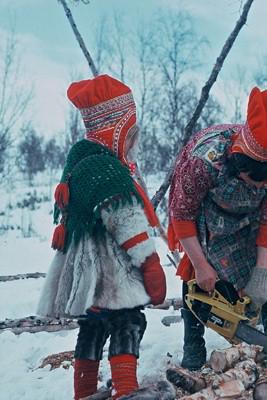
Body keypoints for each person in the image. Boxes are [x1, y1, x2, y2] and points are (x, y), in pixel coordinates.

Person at [37, 75, 167, 400]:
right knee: (128, 321)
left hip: (86, 268)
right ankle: (125, 391)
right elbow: (126, 220)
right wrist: (150, 264)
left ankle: (83, 392)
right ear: (116, 128)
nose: (132, 141)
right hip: (110, 268)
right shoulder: (104, 168)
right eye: (130, 132)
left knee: (93, 326)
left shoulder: (81, 159)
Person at [168, 87, 267, 370]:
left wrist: (259, 276)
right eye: (253, 181)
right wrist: (201, 264)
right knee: (198, 266)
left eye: (264, 184)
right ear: (237, 163)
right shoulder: (204, 160)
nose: (259, 187)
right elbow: (183, 215)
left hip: (255, 213)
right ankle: (193, 341)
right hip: (208, 208)